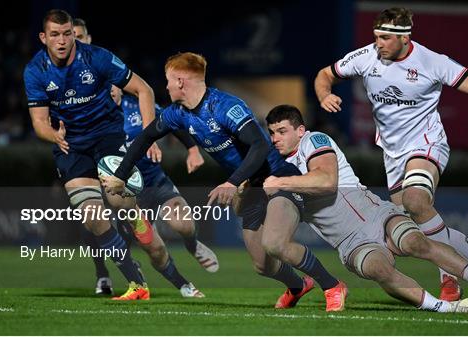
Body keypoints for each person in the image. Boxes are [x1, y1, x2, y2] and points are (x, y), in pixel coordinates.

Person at [102, 52, 348, 312]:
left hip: (278, 179)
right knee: (262, 265)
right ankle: (298, 286)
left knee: (276, 244)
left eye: (168, 80)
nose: (166, 86)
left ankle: (332, 286)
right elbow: (145, 138)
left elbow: (259, 147)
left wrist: (232, 182)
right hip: (250, 187)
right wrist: (120, 175)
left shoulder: (225, 106)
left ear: (181, 81)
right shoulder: (178, 113)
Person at [314, 7, 468, 301]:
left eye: (385, 37)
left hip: (427, 144)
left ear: (405, 38)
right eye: (376, 36)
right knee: (415, 226)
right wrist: (324, 95)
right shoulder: (366, 57)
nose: (378, 43)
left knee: (416, 200)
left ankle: (453, 279)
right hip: (392, 155)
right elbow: (324, 74)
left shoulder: (431, 61)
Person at [264, 104, 468, 312]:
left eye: (282, 131)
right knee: (378, 269)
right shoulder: (274, 166)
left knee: (415, 242)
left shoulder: (314, 141)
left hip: (376, 215)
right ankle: (445, 307)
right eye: (272, 132)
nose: (275, 138)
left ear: (300, 131)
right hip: (350, 243)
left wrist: (279, 183)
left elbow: (327, 181)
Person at [72, 18, 218, 297]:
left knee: (183, 223)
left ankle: (193, 245)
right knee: (151, 245)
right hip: (126, 193)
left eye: (113, 85)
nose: (111, 90)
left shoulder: (137, 104)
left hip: (153, 179)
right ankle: (182, 285)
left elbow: (171, 119)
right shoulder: (91, 120)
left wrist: (191, 148)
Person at [24, 9, 161, 300]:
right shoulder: (35, 71)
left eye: (66, 34)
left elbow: (144, 89)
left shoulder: (97, 57)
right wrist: (54, 134)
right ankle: (137, 285)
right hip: (69, 145)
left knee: (115, 197)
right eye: (54, 35)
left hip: (107, 135)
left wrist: (149, 136)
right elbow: (38, 122)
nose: (61, 41)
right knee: (92, 217)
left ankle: (133, 213)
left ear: (74, 34)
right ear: (43, 37)